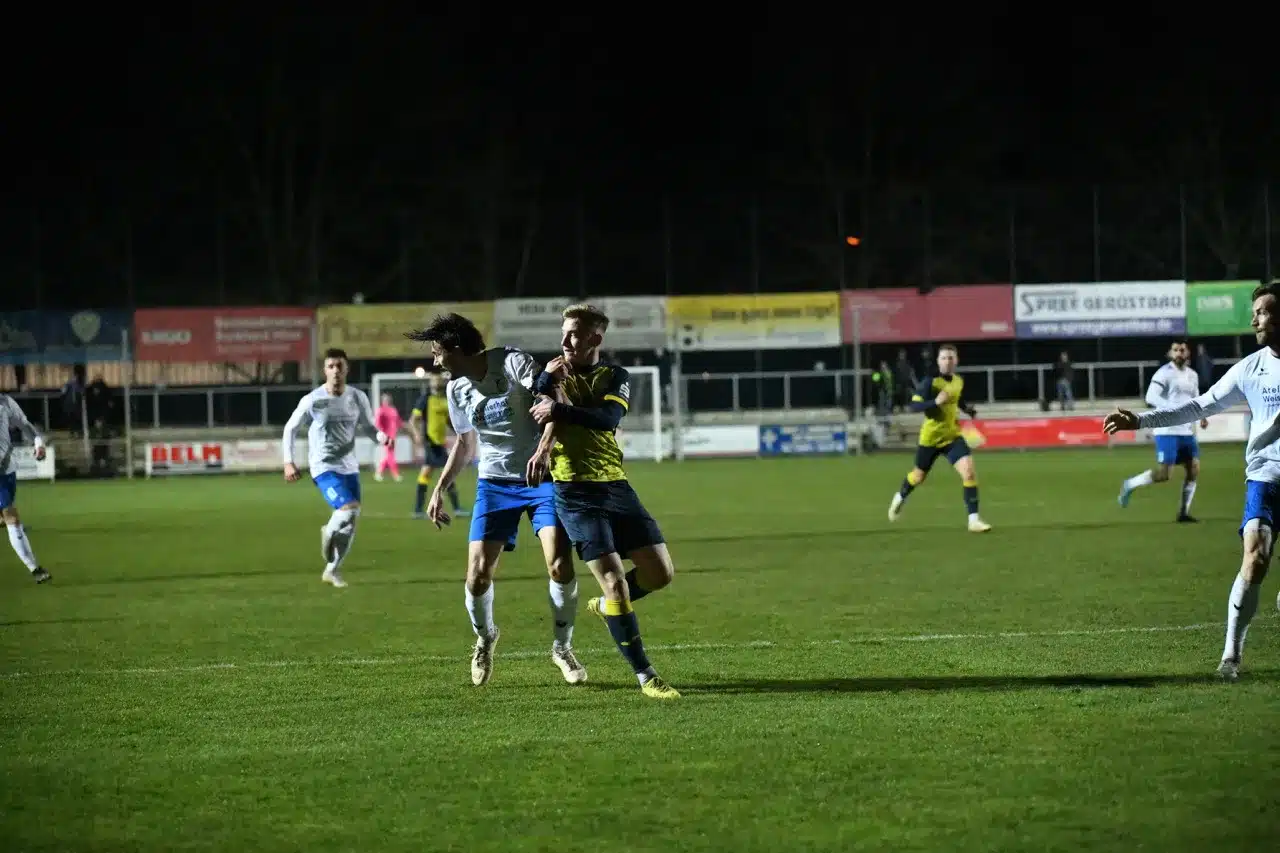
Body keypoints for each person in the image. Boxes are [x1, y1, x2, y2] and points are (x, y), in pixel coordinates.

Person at [1104, 280, 1280, 681]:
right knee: (1255, 559)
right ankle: (1231, 657)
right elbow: (1199, 406)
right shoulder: (1250, 368)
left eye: (1263, 312)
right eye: (1254, 312)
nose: (1254, 320)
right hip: (1266, 476)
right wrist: (1140, 420)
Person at [404, 313, 587, 687]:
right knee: (477, 575)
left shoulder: (512, 362)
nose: (436, 361)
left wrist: (544, 450)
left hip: (541, 480)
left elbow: (555, 401)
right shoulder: (457, 389)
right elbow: (465, 444)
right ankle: (485, 638)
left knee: (559, 565)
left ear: (456, 349)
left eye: (438, 352)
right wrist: (440, 488)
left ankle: (562, 647)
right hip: (494, 485)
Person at [526, 303, 680, 700]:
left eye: (574, 333)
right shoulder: (549, 374)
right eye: (563, 332)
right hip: (574, 491)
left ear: (595, 338)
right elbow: (541, 407)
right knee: (615, 582)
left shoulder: (614, 375)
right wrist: (546, 385)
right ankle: (647, 676)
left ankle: (607, 605)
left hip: (616, 485)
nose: (565, 340)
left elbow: (608, 419)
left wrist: (558, 405)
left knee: (660, 574)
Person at [281, 348, 391, 589]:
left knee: (351, 522)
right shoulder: (313, 400)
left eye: (339, 366)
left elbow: (369, 427)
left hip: (349, 467)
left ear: (347, 369)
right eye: (331, 366)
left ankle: (332, 570)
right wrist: (288, 461)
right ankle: (328, 532)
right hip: (323, 467)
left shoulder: (357, 397)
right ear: (325, 370)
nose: (336, 371)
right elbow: (290, 428)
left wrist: (382, 438)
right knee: (348, 510)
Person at [888, 343, 991, 532]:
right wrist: (935, 402)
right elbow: (914, 406)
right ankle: (900, 497)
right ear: (938, 361)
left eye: (951, 358)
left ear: (956, 360)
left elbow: (957, 398)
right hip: (930, 439)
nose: (948, 361)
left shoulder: (958, 381)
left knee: (969, 472)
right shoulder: (930, 382)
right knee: (918, 477)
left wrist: (967, 409)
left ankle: (973, 521)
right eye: (944, 358)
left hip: (952, 437)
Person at [1117, 339, 1208, 521]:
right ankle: (1130, 484)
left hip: (1186, 430)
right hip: (1167, 429)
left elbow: (1195, 398)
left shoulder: (1192, 375)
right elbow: (1151, 397)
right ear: (1170, 353)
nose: (1179, 353)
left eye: (1182, 349)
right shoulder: (1164, 373)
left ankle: (1183, 513)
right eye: (1176, 350)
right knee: (1164, 474)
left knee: (1193, 469)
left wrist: (1202, 416)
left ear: (1188, 353)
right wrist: (1172, 408)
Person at [0, 394, 51, 583]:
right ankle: (35, 568)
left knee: (7, 515)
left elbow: (24, 424)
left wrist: (38, 443)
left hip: (7, 469)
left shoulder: (5, 402)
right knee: (11, 517)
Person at [409, 374, 465, 520]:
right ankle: (457, 508)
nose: (437, 382)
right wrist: (416, 434)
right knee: (446, 472)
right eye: (435, 380)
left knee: (428, 473)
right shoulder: (425, 399)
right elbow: (413, 420)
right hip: (430, 442)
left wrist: (459, 432)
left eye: (439, 380)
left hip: (440, 443)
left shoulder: (444, 399)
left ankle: (418, 510)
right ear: (431, 383)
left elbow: (447, 420)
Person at [373, 393, 403, 482]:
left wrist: (401, 427)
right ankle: (395, 474)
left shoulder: (393, 410)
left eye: (388, 399)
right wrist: (381, 434)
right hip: (386, 436)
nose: (387, 401)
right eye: (385, 399)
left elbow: (398, 421)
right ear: (382, 401)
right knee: (390, 454)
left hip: (393, 435)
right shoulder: (381, 410)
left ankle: (378, 473)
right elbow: (377, 423)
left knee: (388, 455)